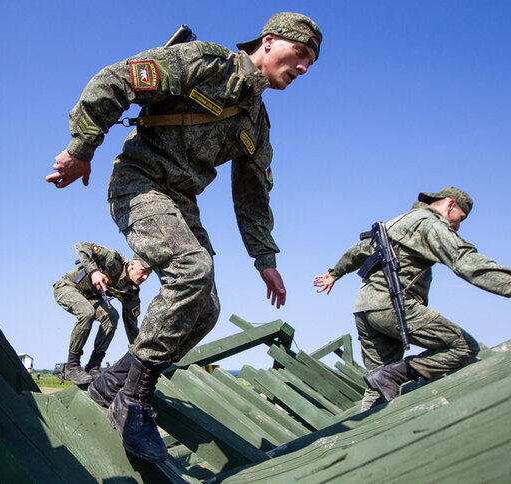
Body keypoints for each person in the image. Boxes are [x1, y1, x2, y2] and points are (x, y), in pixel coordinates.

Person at [45, 12, 321, 461]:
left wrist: (265, 259)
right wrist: (82, 149)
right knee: (193, 270)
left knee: (206, 308)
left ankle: (112, 385)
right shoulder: (208, 63)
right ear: (269, 42)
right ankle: (133, 399)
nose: (305, 67)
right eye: (301, 53)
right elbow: (115, 80)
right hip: (139, 181)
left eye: (312, 62)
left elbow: (252, 197)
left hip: (181, 202)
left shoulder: (257, 124)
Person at [313, 187, 511, 411]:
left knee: (377, 385)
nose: (456, 227)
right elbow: (465, 261)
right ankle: (396, 374)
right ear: (450, 205)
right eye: (459, 219)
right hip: (396, 306)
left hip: (365, 309)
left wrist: (333, 274)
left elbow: (357, 251)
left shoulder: (396, 222)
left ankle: (364, 440)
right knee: (464, 347)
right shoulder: (429, 224)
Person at [53, 242, 151, 385]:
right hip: (68, 287)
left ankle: (93, 366)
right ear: (132, 265)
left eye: (149, 274)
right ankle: (72, 366)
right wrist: (94, 271)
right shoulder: (112, 260)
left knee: (112, 317)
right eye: (143, 271)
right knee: (87, 313)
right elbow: (81, 245)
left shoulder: (131, 292)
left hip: (91, 298)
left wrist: (141, 357)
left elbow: (132, 327)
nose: (145, 278)